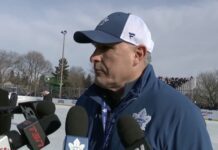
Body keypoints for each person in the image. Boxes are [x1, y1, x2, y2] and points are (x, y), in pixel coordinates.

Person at [73, 12, 212, 150]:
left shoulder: (181, 115)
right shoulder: (85, 103)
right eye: (95, 47)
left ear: (138, 55)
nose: (93, 57)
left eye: (105, 48)